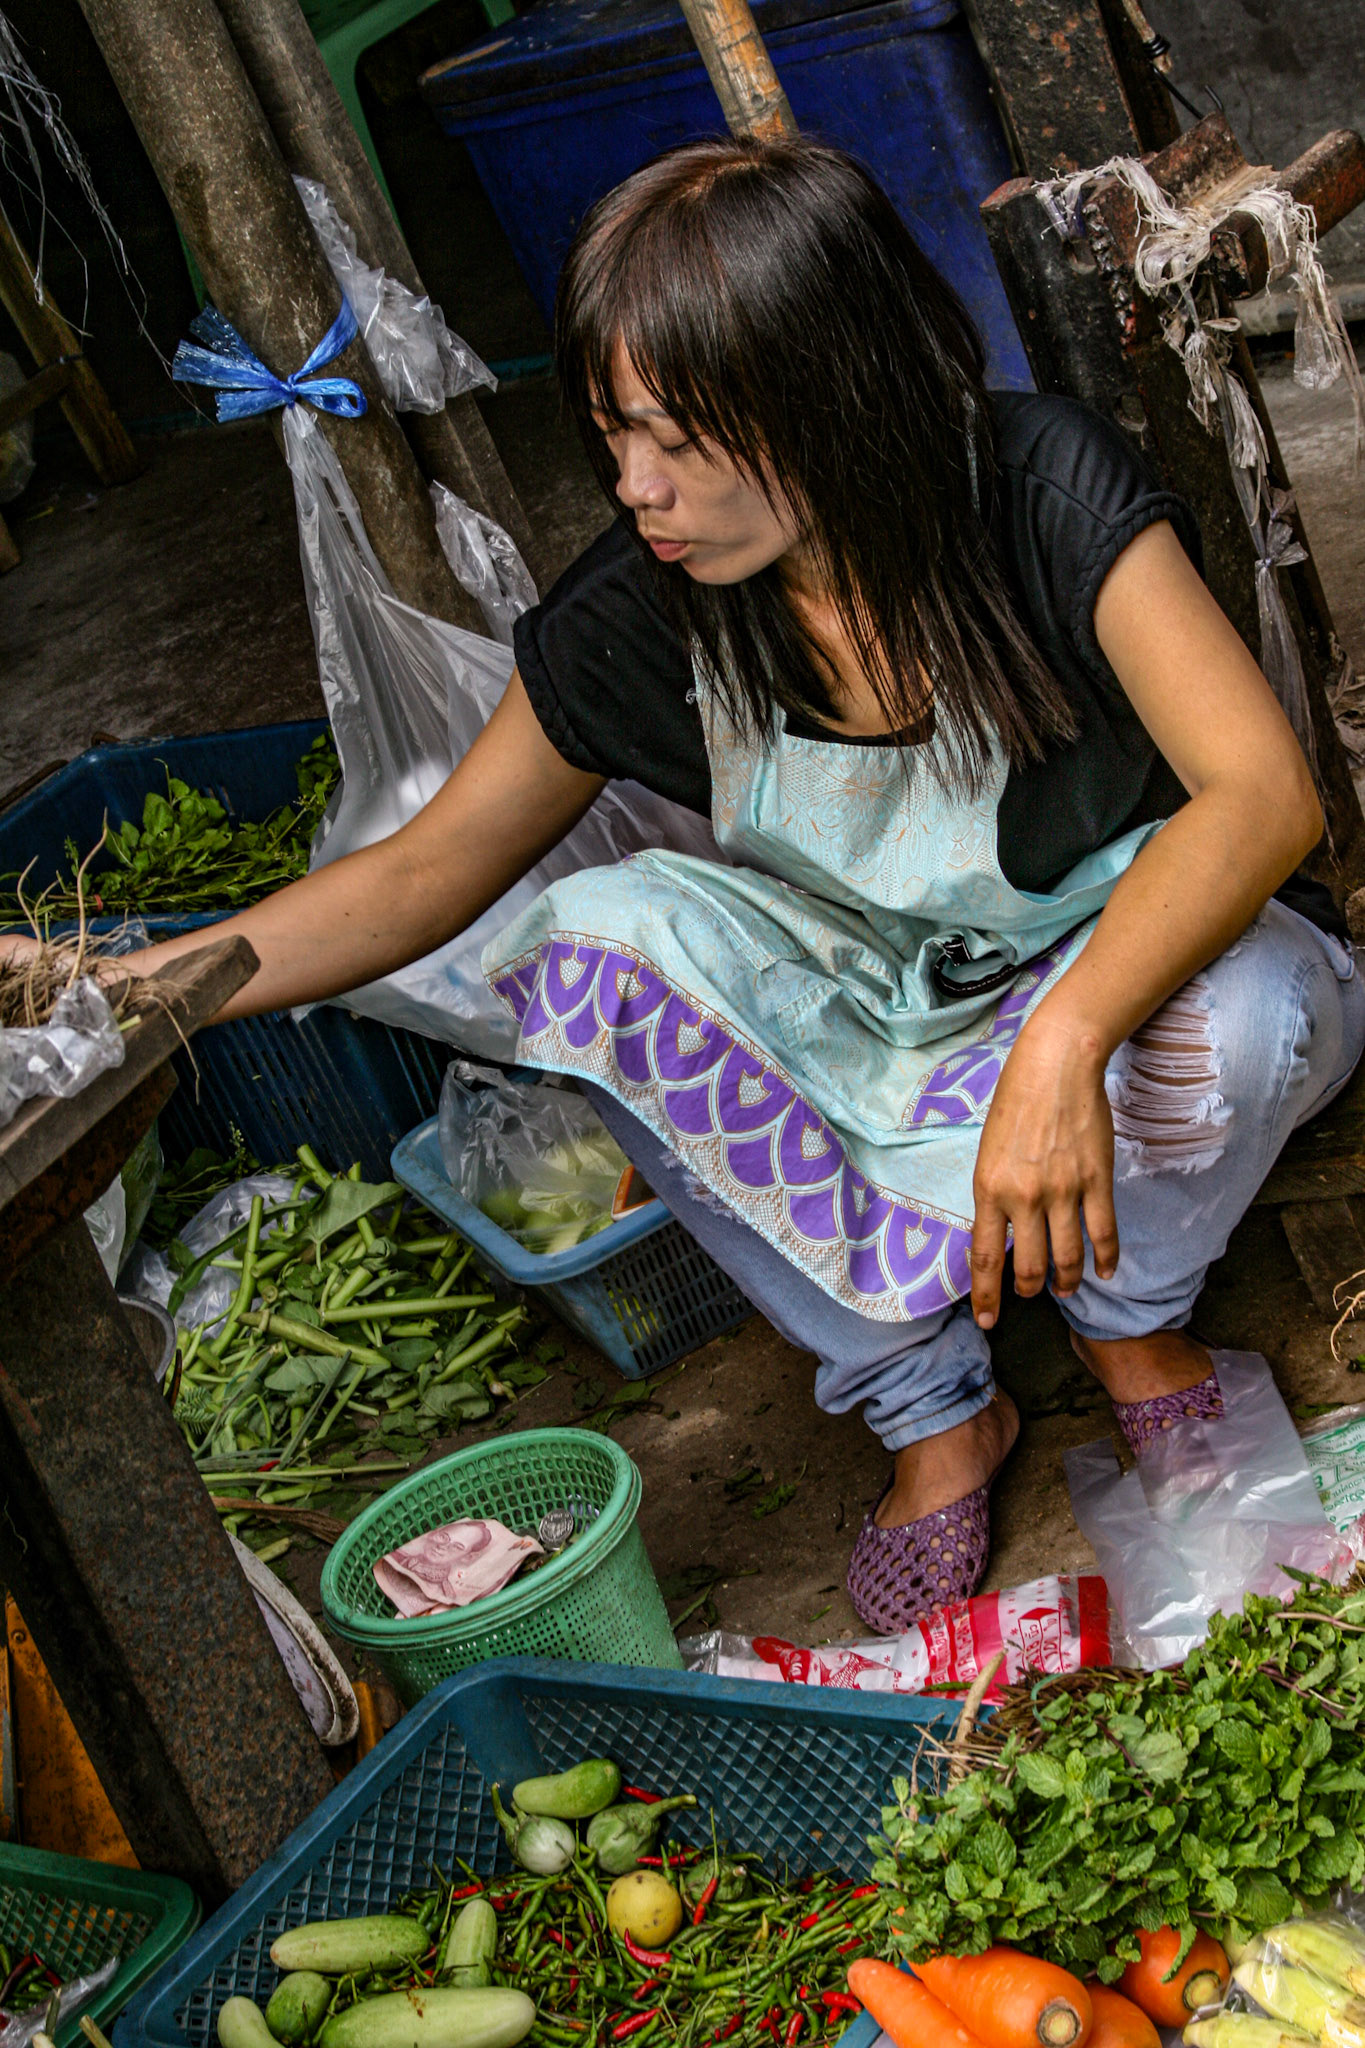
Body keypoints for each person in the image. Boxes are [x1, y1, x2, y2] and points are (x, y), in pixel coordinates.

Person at [88, 137, 1365, 1633]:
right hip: (879, 1014)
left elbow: (1258, 794)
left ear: (834, 391)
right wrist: (124, 993)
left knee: (1258, 1011)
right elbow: (431, 871)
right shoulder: (642, 612)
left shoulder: (1037, 490)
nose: (636, 488)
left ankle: (1130, 1333)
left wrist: (1068, 1036)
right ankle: (928, 1402)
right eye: (611, 435)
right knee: (589, 953)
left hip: (1128, 972)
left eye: (677, 437)